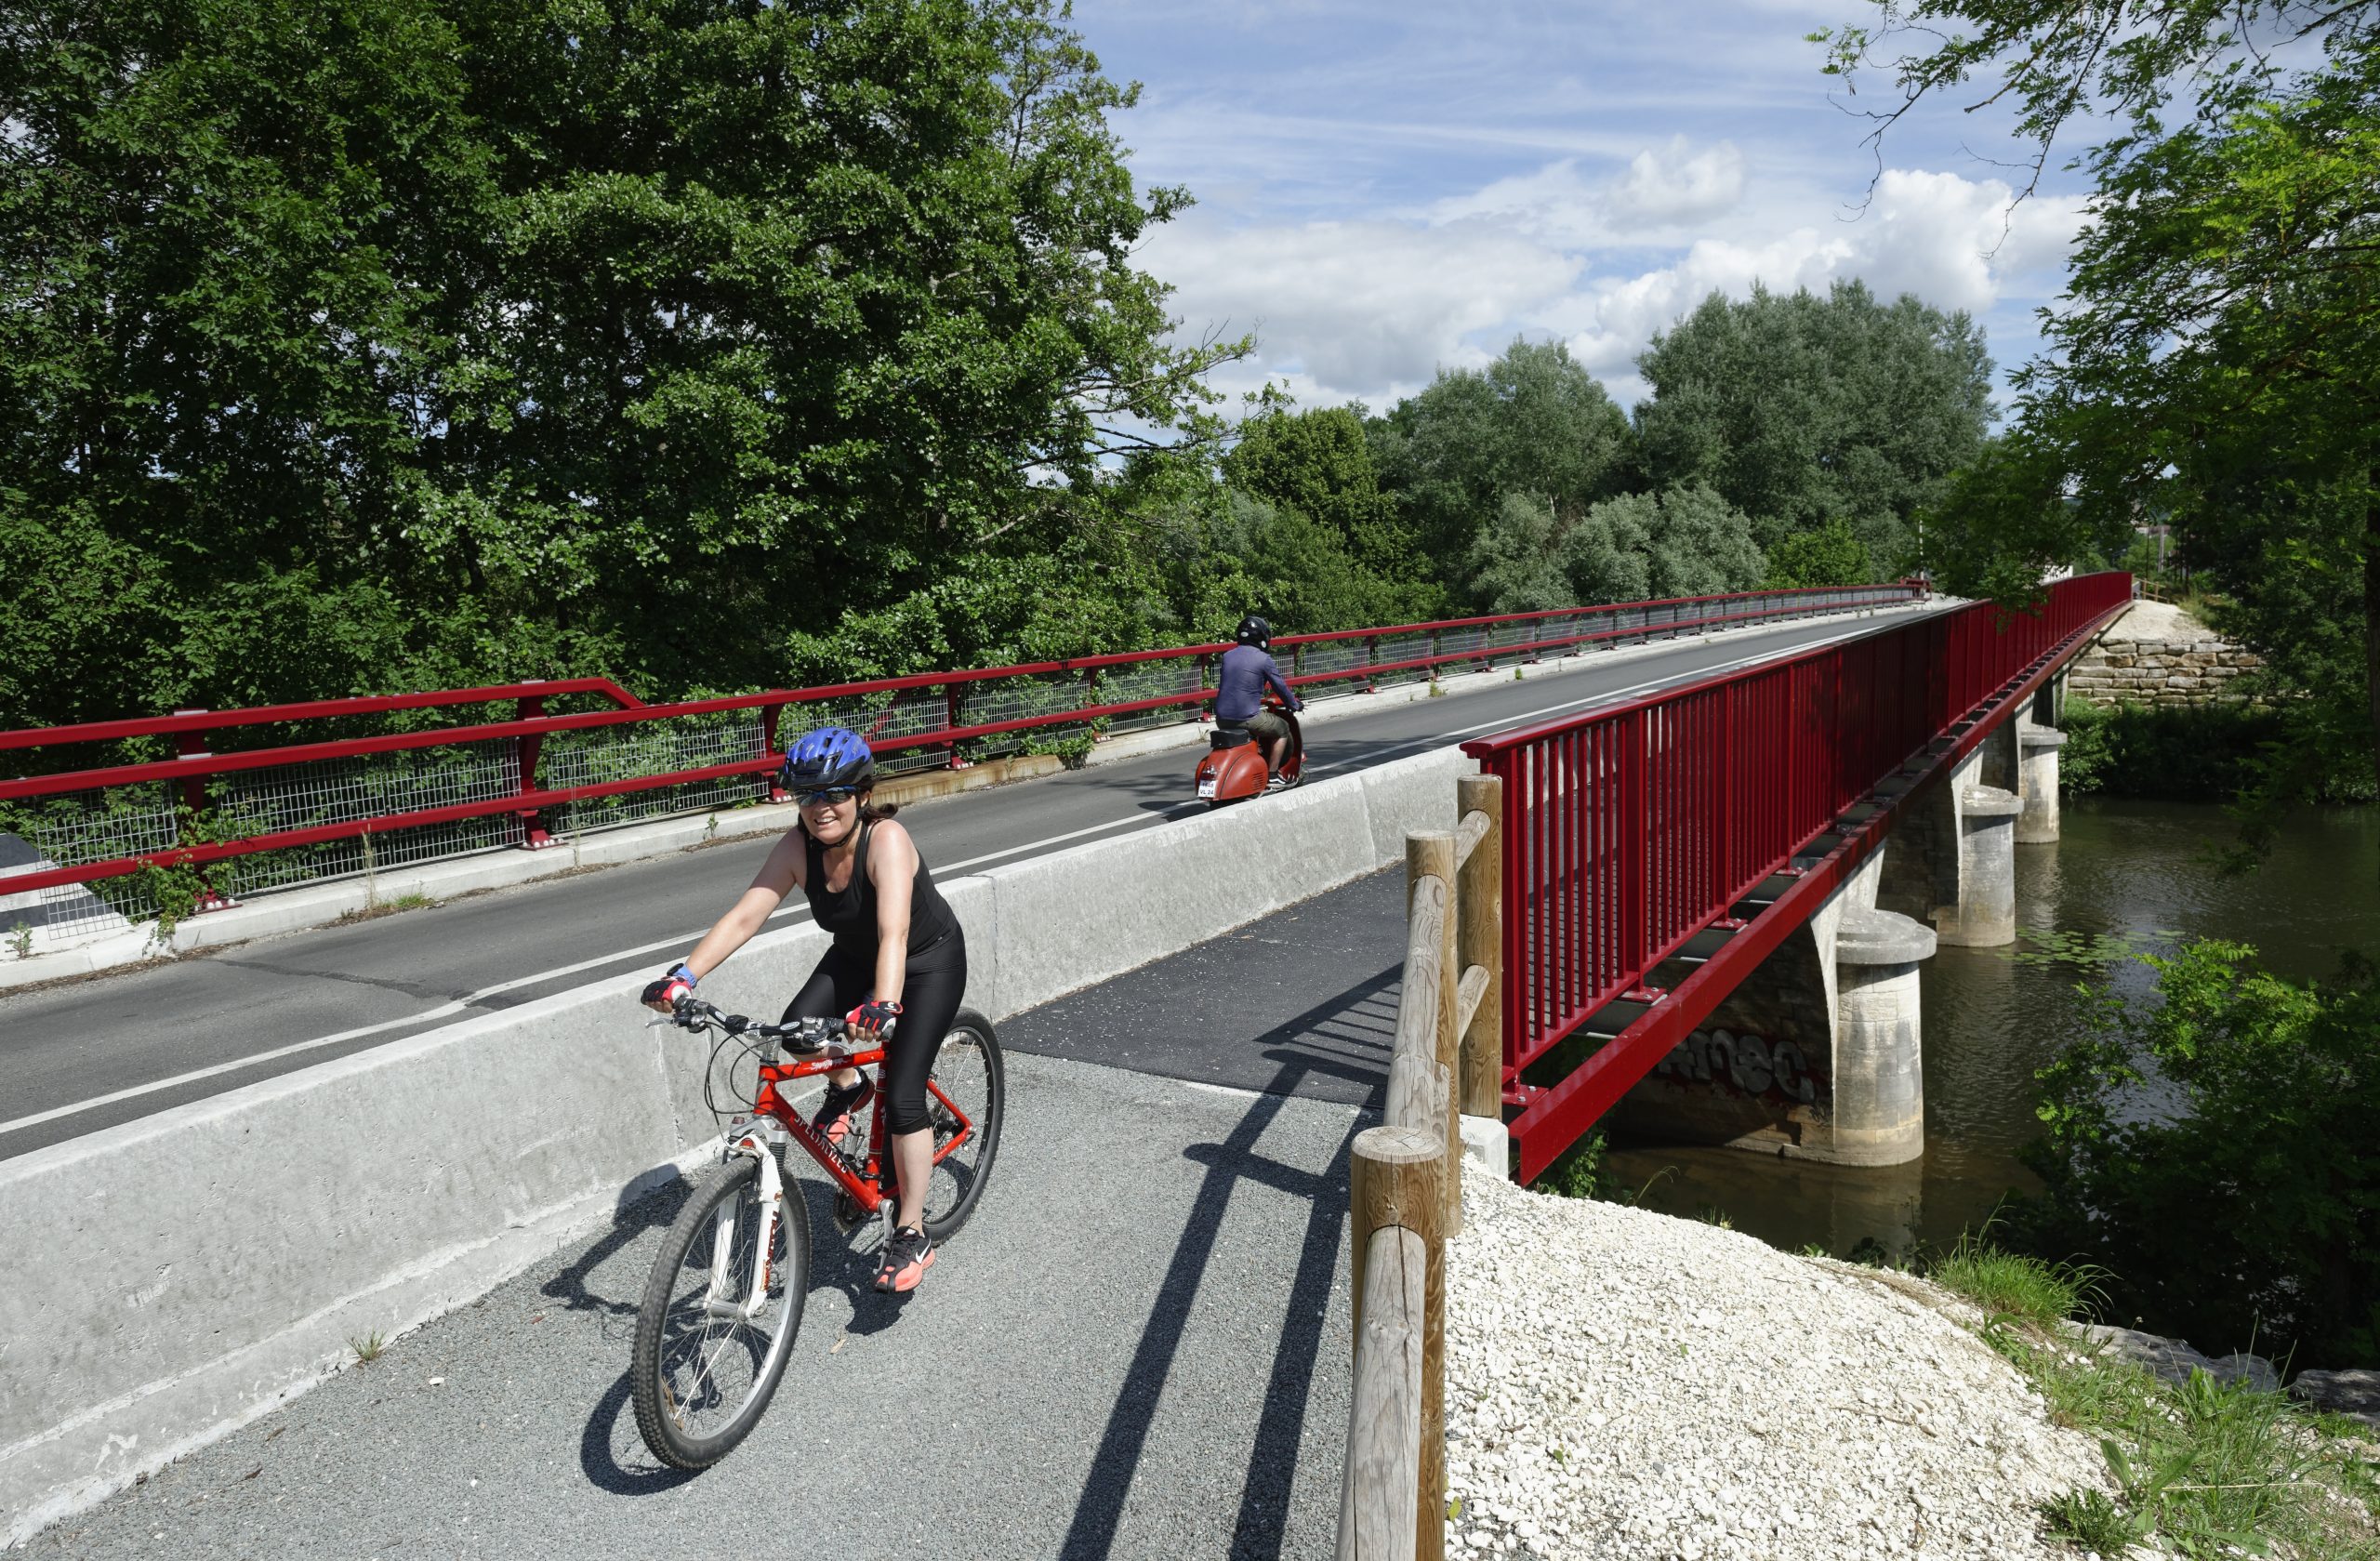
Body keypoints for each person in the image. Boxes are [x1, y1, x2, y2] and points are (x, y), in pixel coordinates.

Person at [640, 725, 965, 1295]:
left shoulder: (885, 840)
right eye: (808, 796)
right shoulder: (798, 848)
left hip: (925, 962)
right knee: (796, 1035)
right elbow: (747, 914)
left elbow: (895, 932)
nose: (821, 808)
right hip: (853, 959)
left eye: (835, 794)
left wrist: (884, 1003)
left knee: (905, 1096)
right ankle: (848, 1087)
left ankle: (911, 1230)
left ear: (862, 794)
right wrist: (684, 975)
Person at [1215, 614, 1304, 785]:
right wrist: (1294, 704)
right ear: (1263, 637)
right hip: (1247, 718)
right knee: (1283, 728)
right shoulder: (1264, 659)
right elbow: (1280, 687)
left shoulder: (1227, 656)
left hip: (1222, 719)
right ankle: (1272, 776)